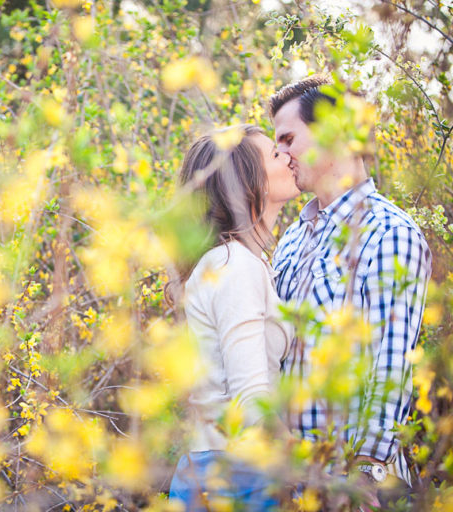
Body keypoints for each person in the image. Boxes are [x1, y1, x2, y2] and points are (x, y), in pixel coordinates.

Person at [269, 76, 432, 497]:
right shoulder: (291, 238)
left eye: (288, 139)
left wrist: (365, 475)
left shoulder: (388, 231)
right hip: (290, 484)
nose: (278, 153)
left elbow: (391, 365)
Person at [166, 125, 300, 511]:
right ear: (246, 181)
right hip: (236, 474)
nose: (287, 155)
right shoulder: (236, 265)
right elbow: (252, 398)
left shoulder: (235, 260)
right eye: (274, 155)